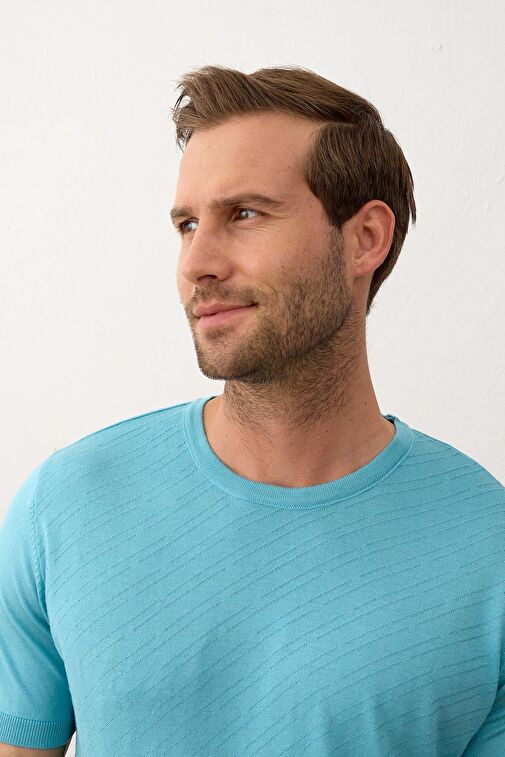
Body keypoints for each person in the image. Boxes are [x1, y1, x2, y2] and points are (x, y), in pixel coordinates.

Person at [1, 64, 504, 757]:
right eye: (187, 224)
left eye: (244, 215)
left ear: (364, 238)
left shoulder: (487, 548)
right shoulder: (67, 505)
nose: (197, 262)